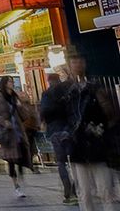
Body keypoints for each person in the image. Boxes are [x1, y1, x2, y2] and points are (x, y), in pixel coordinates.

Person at [64, 57, 120, 211]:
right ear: (69, 66)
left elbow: (110, 113)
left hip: (97, 144)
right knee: (84, 192)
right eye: (74, 62)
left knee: (105, 190)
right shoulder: (68, 92)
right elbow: (61, 116)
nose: (77, 65)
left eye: (80, 62)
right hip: (78, 146)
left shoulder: (96, 87)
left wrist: (102, 129)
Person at [41, 64, 85, 205]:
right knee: (74, 161)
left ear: (49, 81)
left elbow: (44, 113)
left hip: (55, 131)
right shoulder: (68, 91)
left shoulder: (47, 94)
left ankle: (69, 192)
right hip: (69, 130)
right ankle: (76, 189)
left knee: (61, 163)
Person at [0, 76, 39, 199]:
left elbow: (25, 116)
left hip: (18, 131)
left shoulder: (15, 97)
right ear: (4, 84)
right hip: (7, 133)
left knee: (22, 154)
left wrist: (20, 106)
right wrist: (2, 121)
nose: (12, 83)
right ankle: (16, 185)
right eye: (10, 81)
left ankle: (21, 178)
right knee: (11, 160)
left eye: (12, 81)